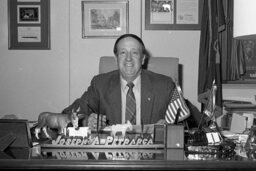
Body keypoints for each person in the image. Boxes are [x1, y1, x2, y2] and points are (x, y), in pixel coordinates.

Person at [62, 34, 176, 130]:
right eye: (123, 53)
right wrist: (86, 121)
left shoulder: (164, 85)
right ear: (116, 59)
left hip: (152, 152)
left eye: (134, 53)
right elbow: (70, 114)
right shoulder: (100, 84)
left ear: (143, 59)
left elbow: (188, 120)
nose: (128, 59)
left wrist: (171, 126)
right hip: (112, 152)